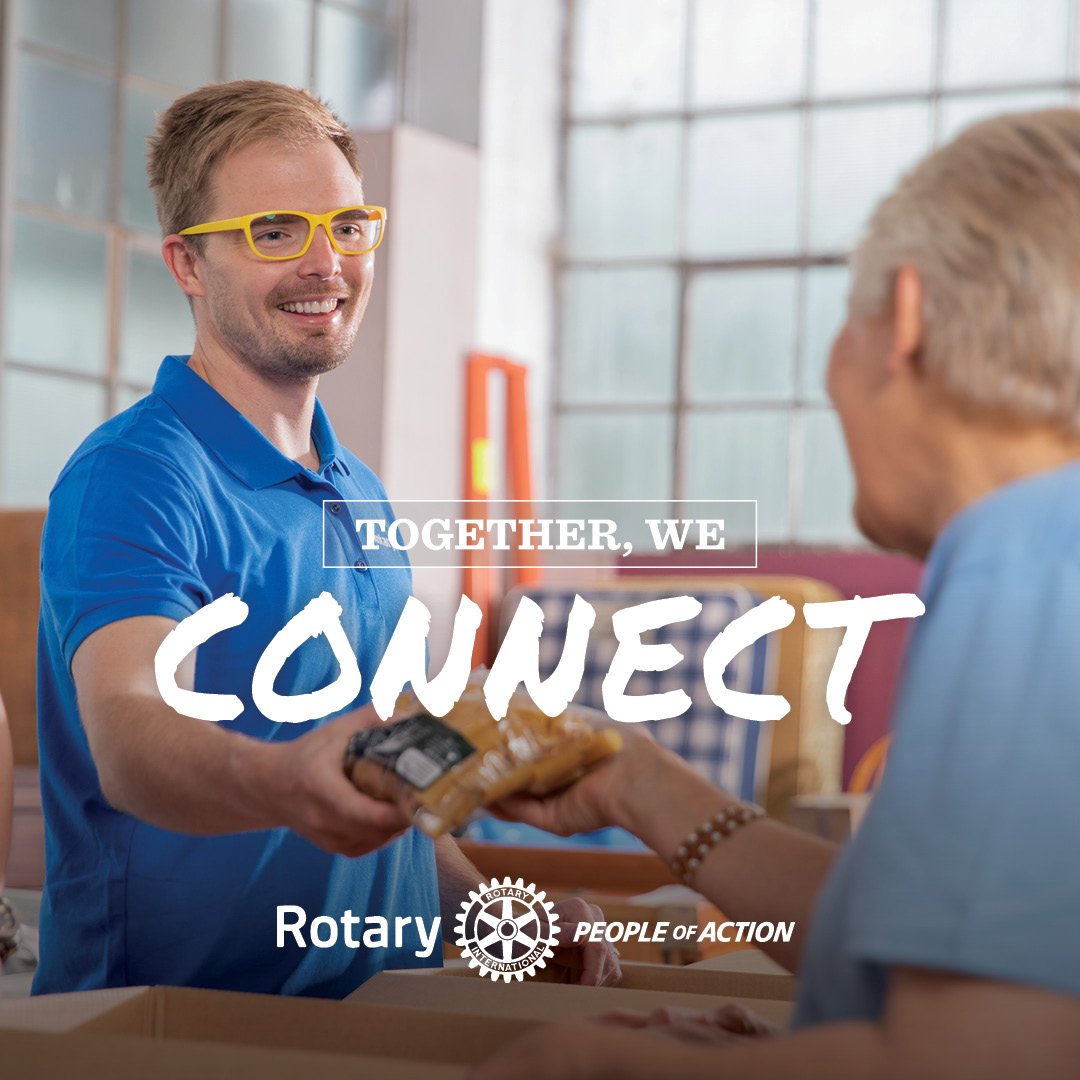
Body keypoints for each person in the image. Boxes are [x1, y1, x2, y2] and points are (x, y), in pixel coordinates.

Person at [472, 108, 1080, 1078]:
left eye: (849, 314)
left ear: (905, 321)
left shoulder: (1026, 559)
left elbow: (980, 1062)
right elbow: (931, 963)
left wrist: (598, 1066)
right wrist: (636, 781)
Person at [34, 80, 616, 998]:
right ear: (188, 264)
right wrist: (284, 780)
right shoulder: (137, 476)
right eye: (276, 232)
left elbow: (388, 820)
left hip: (374, 1018)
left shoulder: (364, 496)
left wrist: (501, 916)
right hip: (173, 1034)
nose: (326, 263)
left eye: (347, 227)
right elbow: (134, 733)